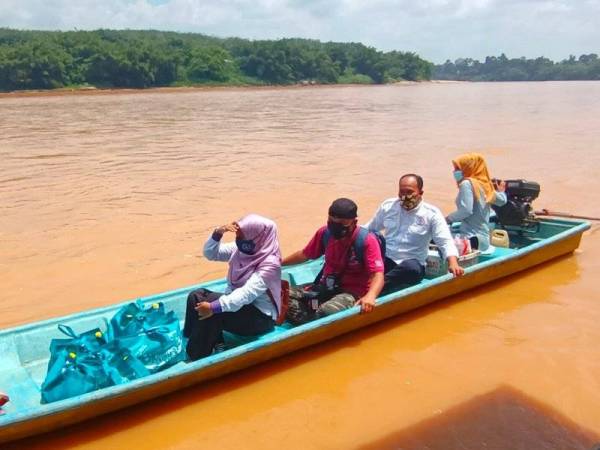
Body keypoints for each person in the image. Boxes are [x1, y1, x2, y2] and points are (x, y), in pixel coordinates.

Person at [183, 214, 282, 360]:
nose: (239, 240)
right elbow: (210, 253)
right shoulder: (240, 249)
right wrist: (218, 233)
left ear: (256, 237)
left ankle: (196, 356)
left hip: (260, 319)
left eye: (243, 237)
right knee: (195, 296)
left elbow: (245, 294)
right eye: (238, 236)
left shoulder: (270, 264)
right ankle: (196, 339)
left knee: (213, 307)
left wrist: (214, 307)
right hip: (239, 307)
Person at [282, 198, 384, 325]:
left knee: (327, 312)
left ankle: (313, 319)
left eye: (341, 224)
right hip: (325, 285)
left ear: (354, 222)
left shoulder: (366, 240)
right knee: (279, 294)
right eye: (332, 222)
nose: (335, 227)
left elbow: (377, 274)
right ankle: (311, 319)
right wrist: (279, 263)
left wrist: (371, 296)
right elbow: (305, 254)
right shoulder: (325, 233)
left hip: (351, 292)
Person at [365, 173, 464, 294]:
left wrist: (453, 263)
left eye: (409, 192)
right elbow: (370, 228)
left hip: (412, 265)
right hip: (387, 259)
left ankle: (373, 289)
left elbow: (445, 241)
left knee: (410, 268)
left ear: (420, 193)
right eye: (402, 192)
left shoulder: (431, 214)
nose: (405, 196)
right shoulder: (388, 206)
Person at [446, 153, 507, 252]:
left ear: (468, 168)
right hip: (483, 240)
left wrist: (447, 219)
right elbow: (502, 201)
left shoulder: (467, 184)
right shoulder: (485, 185)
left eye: (458, 168)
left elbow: (466, 211)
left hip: (471, 239)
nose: (454, 171)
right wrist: (501, 191)